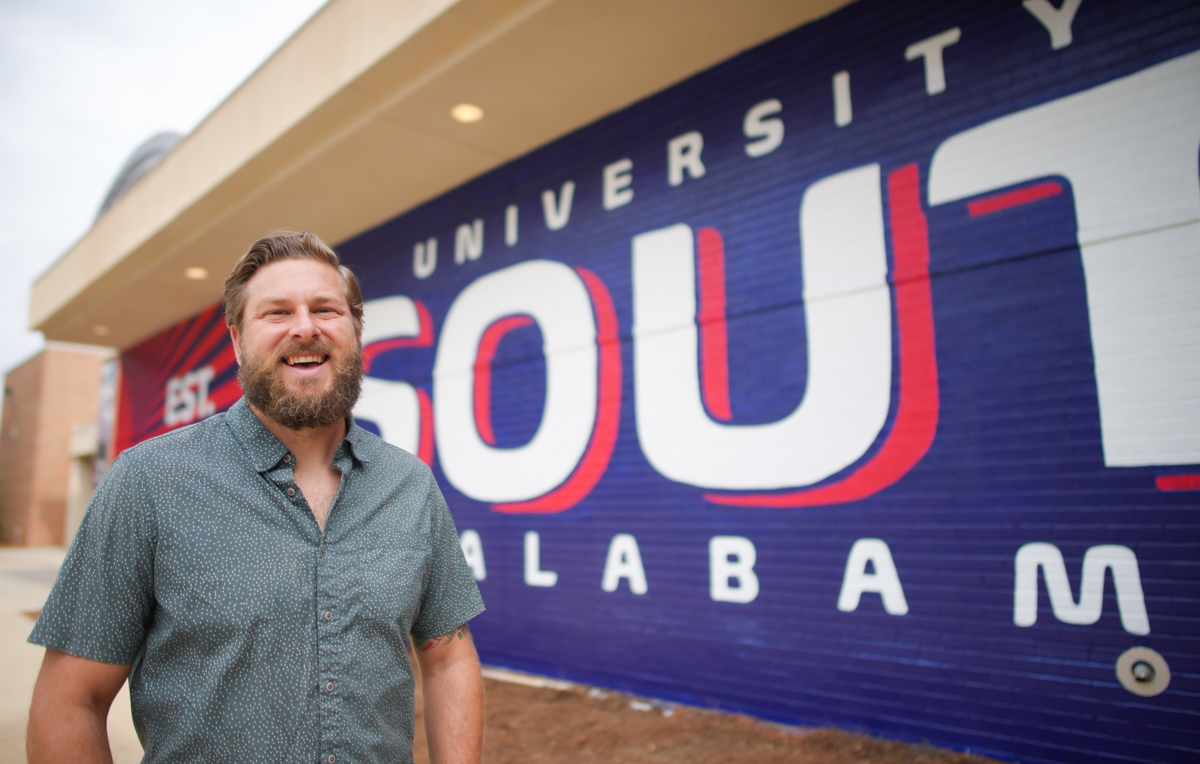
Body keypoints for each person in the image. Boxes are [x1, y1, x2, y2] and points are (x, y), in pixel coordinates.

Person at [26, 230, 485, 764]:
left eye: (325, 309)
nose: (305, 328)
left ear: (356, 331)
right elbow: (70, 700)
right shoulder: (149, 482)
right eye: (277, 313)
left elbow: (449, 660)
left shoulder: (410, 486)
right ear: (237, 339)